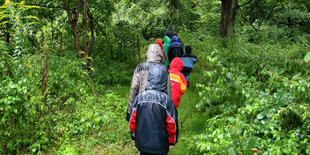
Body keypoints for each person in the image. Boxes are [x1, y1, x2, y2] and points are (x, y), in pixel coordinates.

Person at [130, 64, 178, 155]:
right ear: (164, 79)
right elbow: (172, 124)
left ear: (150, 77)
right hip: (161, 145)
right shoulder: (166, 100)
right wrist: (172, 141)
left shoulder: (139, 98)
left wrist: (134, 136)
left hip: (142, 143)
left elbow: (133, 120)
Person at [126, 44, 172, 121]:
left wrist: (129, 110)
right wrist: (170, 110)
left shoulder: (140, 67)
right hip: (160, 104)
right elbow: (168, 90)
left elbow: (134, 88)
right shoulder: (164, 69)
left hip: (141, 103)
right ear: (160, 55)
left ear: (147, 54)